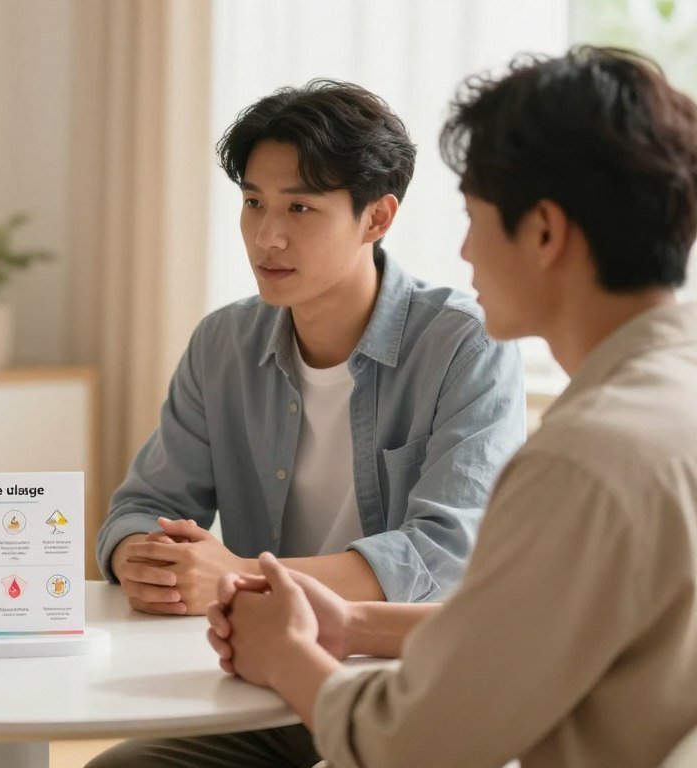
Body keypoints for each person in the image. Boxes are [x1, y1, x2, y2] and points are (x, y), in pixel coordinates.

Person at [208, 46, 697, 768]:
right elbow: (536, 632)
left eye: (473, 216)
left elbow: (410, 745)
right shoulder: (671, 394)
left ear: (543, 232)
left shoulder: (581, 461)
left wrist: (285, 654)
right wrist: (353, 624)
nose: (464, 250)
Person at [89, 79, 526, 768]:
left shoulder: (466, 345)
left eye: (300, 206)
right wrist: (144, 558)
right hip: (263, 689)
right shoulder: (223, 343)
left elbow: (443, 554)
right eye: (253, 203)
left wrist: (236, 578)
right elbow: (143, 506)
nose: (268, 235)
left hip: (411, 691)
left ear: (376, 218)